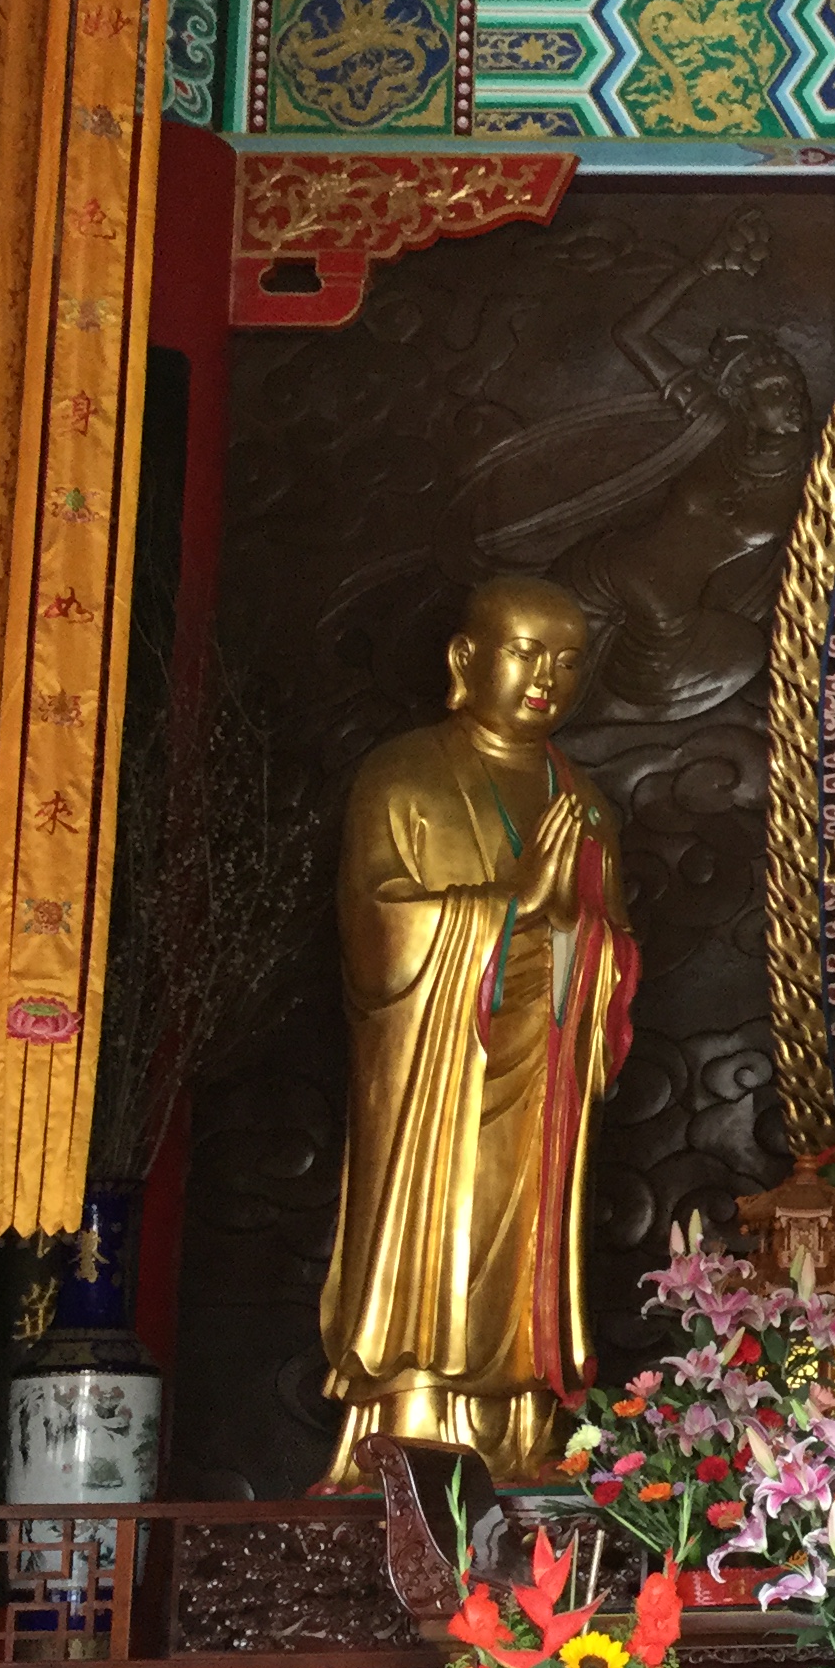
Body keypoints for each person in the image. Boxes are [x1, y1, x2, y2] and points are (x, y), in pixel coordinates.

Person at [316, 578, 639, 1485]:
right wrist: (508, 909)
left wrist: (583, 938)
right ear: (465, 660)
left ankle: (522, 1425)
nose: (547, 678)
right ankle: (411, 1417)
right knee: (440, 1231)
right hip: (439, 1074)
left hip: (544, 1070)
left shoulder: (583, 802)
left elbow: (611, 948)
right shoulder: (403, 775)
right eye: (525, 652)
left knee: (528, 1252)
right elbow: (376, 934)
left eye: (569, 660)